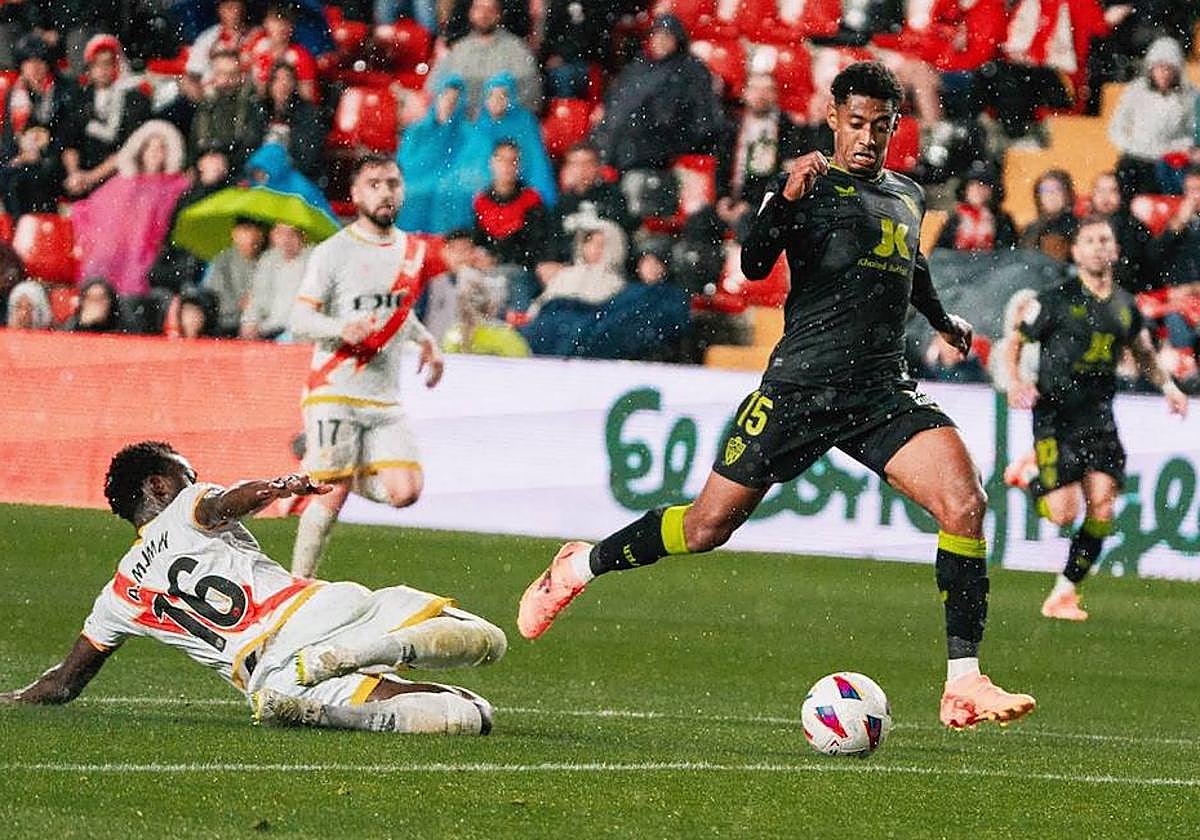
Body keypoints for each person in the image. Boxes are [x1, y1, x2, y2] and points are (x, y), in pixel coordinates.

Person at [517, 62, 1036, 730]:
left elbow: (911, 263)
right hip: (799, 389)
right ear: (832, 117)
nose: (867, 138)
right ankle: (578, 566)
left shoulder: (908, 194)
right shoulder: (806, 184)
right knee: (706, 527)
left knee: (965, 505)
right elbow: (756, 263)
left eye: (881, 126)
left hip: (880, 390)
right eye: (856, 124)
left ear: (895, 126)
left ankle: (963, 681)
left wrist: (941, 321)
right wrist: (784, 201)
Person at [0, 441, 505, 735]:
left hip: (270, 674)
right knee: (488, 644)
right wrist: (280, 487)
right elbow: (223, 504)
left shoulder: (118, 595)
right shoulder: (187, 506)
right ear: (159, 486)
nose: (196, 476)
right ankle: (363, 652)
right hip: (317, 616)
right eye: (185, 470)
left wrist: (14, 699)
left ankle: (321, 711)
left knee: (470, 717)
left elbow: (63, 683)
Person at [1005, 217, 1189, 621]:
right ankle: (1028, 475)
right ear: (1076, 252)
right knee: (1064, 514)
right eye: (1089, 240)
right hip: (1056, 414)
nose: (1097, 246)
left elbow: (1143, 355)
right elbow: (1015, 341)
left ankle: (1064, 592)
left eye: (1104, 239)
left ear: (1115, 250)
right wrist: (1016, 382)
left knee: (1103, 509)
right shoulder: (1054, 299)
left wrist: (1170, 388)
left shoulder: (1125, 306)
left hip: (1099, 417)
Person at [289, 153, 446, 578]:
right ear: (356, 193)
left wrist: (425, 339)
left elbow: (397, 309)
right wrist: (341, 328)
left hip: (382, 396)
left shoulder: (412, 250)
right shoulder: (333, 252)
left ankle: (319, 462)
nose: (385, 192)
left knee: (405, 492)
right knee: (332, 493)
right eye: (374, 184)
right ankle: (297, 587)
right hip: (335, 387)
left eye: (393, 183)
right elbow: (299, 320)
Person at [71, 120, 191, 298]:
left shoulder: (176, 185)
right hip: (121, 249)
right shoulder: (124, 181)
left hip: (152, 252)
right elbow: (97, 208)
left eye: (161, 148)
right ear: (141, 150)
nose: (155, 153)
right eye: (151, 147)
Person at [62, 34, 151, 197]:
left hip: (119, 171)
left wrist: (92, 177)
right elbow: (70, 142)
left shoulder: (134, 99)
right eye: (96, 64)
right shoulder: (80, 98)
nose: (102, 70)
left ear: (117, 65)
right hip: (84, 171)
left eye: (107, 63)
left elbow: (130, 147)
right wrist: (75, 174)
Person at [1108, 37, 1195, 198]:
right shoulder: (1136, 91)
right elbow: (1117, 127)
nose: (1164, 73)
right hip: (1136, 156)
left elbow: (1191, 134)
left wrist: (1173, 149)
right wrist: (1133, 146)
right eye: (1159, 67)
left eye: (1169, 68)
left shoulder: (1188, 96)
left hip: (1167, 159)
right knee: (1127, 173)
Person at [425, 0, 541, 115]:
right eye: (479, 8)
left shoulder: (517, 49)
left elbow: (532, 95)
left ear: (499, 14)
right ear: (470, 13)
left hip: (503, 124)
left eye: (490, 9)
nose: (484, 14)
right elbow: (433, 88)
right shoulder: (459, 49)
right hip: (462, 124)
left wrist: (502, 108)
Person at [240, 222, 311, 341]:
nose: (286, 239)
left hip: (300, 330)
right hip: (269, 328)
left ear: (303, 236)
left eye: (292, 234)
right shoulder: (268, 259)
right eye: (280, 233)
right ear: (273, 235)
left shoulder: (313, 258)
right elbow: (257, 297)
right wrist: (249, 321)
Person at [936, 161, 1018, 252]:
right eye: (972, 185)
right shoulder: (956, 219)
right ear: (965, 189)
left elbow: (1008, 252)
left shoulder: (1002, 219)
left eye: (983, 185)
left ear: (992, 191)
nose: (977, 190)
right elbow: (941, 252)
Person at [205, 217, 266, 336]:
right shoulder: (222, 261)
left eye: (256, 231)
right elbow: (214, 296)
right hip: (227, 322)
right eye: (246, 230)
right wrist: (239, 304)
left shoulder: (268, 260)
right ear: (235, 233)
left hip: (260, 321)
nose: (251, 237)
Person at [1019, 170, 1078, 259]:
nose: (1051, 194)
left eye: (1057, 189)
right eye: (1045, 190)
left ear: (1067, 194)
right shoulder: (1031, 228)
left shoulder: (1078, 226)